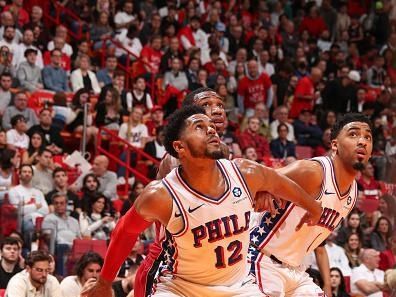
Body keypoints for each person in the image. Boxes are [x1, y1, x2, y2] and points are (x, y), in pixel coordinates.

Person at [82, 105, 322, 297]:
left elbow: (281, 184)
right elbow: (124, 232)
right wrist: (104, 281)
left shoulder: (245, 172)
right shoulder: (161, 195)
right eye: (199, 126)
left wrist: (313, 207)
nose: (211, 130)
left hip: (238, 285)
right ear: (180, 147)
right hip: (181, 287)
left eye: (211, 126)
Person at [250, 113, 373, 297]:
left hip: (297, 270)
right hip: (261, 259)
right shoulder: (314, 172)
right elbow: (256, 178)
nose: (362, 141)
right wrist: (263, 191)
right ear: (334, 145)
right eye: (353, 134)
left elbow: (318, 240)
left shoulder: (353, 193)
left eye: (367, 137)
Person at [41, 193, 81, 276]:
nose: (59, 205)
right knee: (62, 247)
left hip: (74, 246)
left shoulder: (74, 221)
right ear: (53, 205)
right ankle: (61, 276)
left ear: (66, 204)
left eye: (62, 203)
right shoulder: (49, 218)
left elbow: (79, 237)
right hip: (58, 246)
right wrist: (64, 242)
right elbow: (48, 236)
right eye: (56, 203)